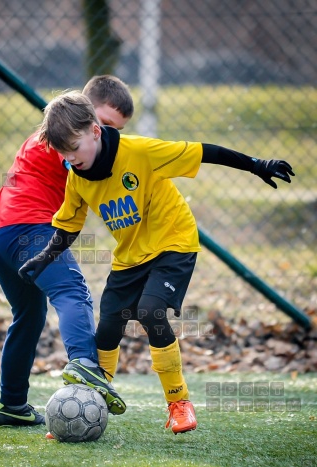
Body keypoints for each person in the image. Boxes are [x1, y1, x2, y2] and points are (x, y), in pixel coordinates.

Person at [18, 91, 295, 435]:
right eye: (63, 153)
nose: (70, 158)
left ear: (94, 131)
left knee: (150, 311)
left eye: (74, 148)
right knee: (107, 328)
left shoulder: (140, 152)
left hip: (173, 243)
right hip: (130, 256)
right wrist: (44, 258)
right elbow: (68, 224)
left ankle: (179, 403)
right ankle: (92, 398)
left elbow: (202, 151)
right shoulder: (77, 177)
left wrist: (256, 165)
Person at [0, 76, 134, 427]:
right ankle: (83, 361)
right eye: (106, 124)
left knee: (29, 315)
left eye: (116, 129)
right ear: (86, 110)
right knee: (71, 290)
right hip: (28, 229)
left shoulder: (55, 134)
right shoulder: (67, 140)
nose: (108, 134)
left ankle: (12, 405)